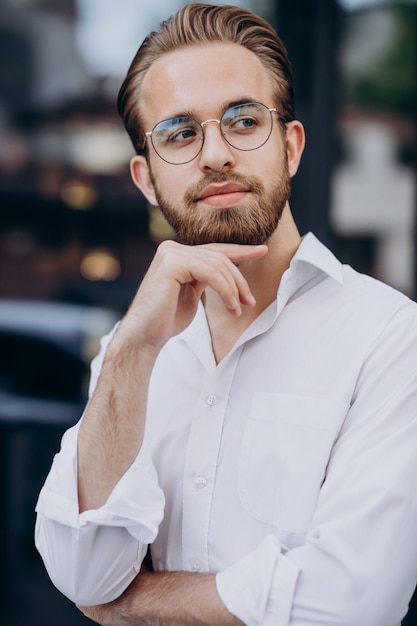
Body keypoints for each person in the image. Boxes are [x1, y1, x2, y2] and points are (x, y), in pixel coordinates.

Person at [35, 3, 417, 625]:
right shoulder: (131, 353)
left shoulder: (391, 339)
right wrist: (132, 347)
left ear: (291, 148)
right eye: (180, 133)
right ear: (146, 179)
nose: (215, 153)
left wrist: (130, 603)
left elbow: (345, 605)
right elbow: (81, 570)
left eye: (243, 121)